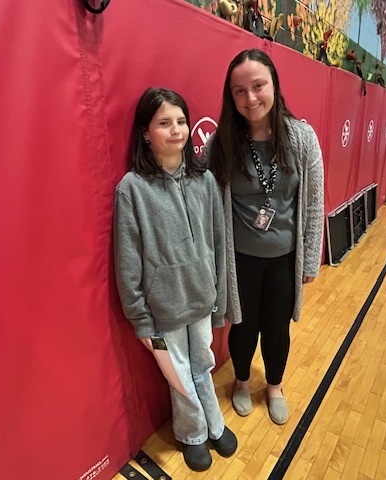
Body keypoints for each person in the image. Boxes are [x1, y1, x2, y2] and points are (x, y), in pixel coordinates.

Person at [113, 87, 237, 472]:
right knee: (178, 371)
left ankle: (215, 423)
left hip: (201, 299)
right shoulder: (131, 190)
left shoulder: (205, 182)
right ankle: (193, 433)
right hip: (163, 309)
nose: (176, 130)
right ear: (146, 133)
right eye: (164, 123)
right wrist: (141, 319)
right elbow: (128, 262)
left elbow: (219, 244)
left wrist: (219, 299)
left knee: (203, 362)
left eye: (181, 121)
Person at [204, 49, 324, 425]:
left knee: (276, 327)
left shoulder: (302, 138)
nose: (250, 98)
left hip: (283, 259)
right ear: (230, 95)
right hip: (239, 260)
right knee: (242, 326)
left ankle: (274, 385)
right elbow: (203, 195)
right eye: (239, 91)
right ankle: (241, 381)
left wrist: (308, 258)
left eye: (258, 86)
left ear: (274, 85)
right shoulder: (222, 142)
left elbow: (314, 200)